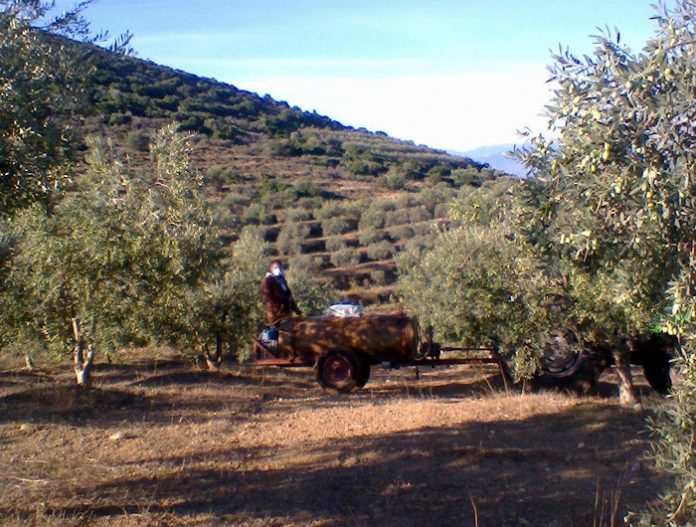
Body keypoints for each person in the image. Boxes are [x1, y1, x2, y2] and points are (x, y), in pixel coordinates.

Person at [261, 260, 302, 325]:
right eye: (276, 267)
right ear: (271, 269)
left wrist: (296, 309)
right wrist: (281, 300)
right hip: (275, 315)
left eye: (280, 267)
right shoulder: (267, 281)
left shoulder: (281, 279)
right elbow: (267, 298)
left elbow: (289, 295)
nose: (279, 269)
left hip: (286, 314)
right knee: (280, 334)